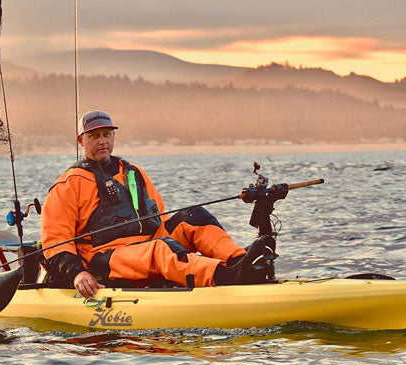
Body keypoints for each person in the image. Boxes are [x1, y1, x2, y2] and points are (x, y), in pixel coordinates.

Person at [41, 110, 274, 297]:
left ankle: (242, 262)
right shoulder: (68, 184)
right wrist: (78, 274)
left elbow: (161, 218)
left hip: (148, 245)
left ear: (113, 136)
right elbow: (56, 242)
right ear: (81, 140)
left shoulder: (133, 172)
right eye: (94, 136)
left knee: (192, 217)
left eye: (106, 134)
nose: (102, 141)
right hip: (104, 258)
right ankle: (227, 277)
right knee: (162, 248)